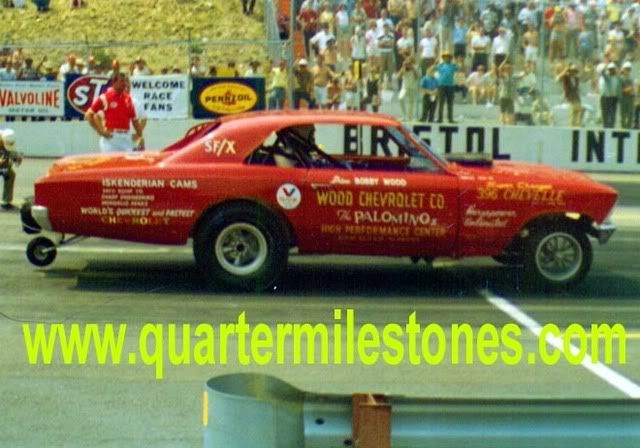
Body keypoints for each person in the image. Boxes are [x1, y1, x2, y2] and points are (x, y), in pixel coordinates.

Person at [84, 73, 143, 152]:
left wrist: (140, 136)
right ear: (114, 82)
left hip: (126, 138)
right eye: (122, 81)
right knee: (111, 160)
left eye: (125, 81)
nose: (124, 84)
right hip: (111, 138)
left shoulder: (128, 99)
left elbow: (134, 120)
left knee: (126, 160)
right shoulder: (105, 97)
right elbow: (88, 115)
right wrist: (100, 131)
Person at [435, 51, 459, 123]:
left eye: (448, 57)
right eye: (445, 57)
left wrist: (456, 61)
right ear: (443, 58)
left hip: (450, 86)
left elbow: (459, 67)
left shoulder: (453, 66)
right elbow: (433, 68)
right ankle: (440, 118)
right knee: (441, 102)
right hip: (441, 85)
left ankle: (450, 118)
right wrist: (436, 62)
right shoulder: (440, 65)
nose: (447, 58)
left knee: (450, 103)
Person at [0, 129, 21, 210]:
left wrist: (16, 159)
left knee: (10, 174)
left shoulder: (9, 140)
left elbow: (11, 152)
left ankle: (6, 201)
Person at [556, 63, 582, 127]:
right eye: (571, 70)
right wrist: (565, 70)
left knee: (579, 110)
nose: (572, 72)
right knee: (573, 111)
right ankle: (572, 126)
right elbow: (557, 79)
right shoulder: (566, 77)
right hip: (569, 97)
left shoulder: (576, 78)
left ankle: (577, 125)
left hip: (576, 97)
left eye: (574, 71)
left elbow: (577, 88)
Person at [599, 62, 621, 128]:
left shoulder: (617, 78)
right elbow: (602, 73)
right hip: (606, 98)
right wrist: (605, 67)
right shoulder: (607, 77)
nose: (611, 70)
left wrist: (618, 97)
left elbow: (618, 88)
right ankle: (605, 128)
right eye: (610, 69)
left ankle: (611, 128)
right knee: (605, 114)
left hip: (614, 98)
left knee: (612, 114)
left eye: (613, 69)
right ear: (608, 70)